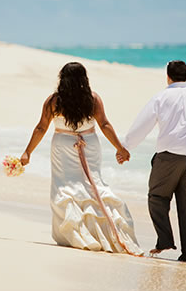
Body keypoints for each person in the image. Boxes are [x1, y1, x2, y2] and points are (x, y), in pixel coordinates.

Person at [20, 62, 142, 255]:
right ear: (84, 79)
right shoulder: (93, 99)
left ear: (63, 79)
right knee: (93, 184)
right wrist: (120, 148)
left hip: (62, 145)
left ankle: (76, 233)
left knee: (65, 186)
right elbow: (104, 124)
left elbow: (41, 127)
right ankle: (102, 229)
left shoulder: (54, 101)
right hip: (90, 144)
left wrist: (27, 152)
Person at [122, 60, 186, 262]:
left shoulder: (161, 97)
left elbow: (143, 124)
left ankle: (164, 239)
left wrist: (126, 148)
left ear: (168, 76)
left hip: (168, 158)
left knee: (157, 197)